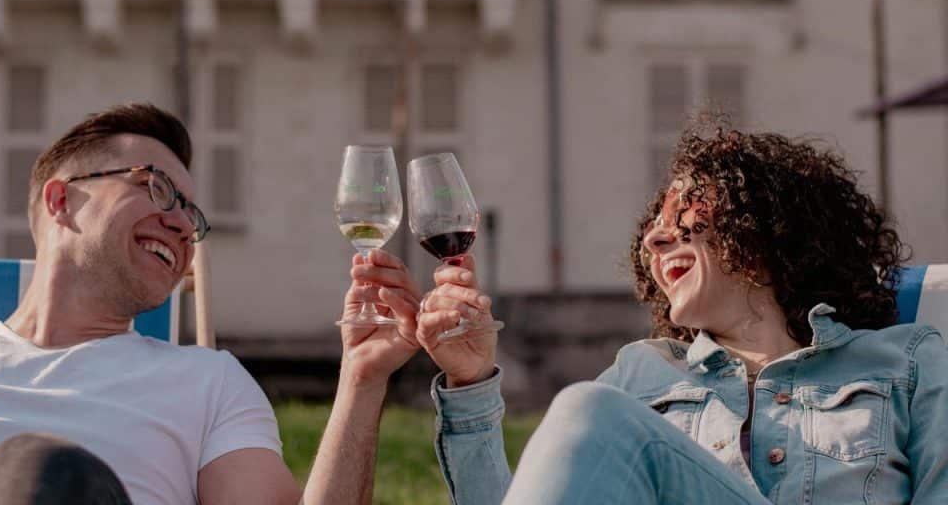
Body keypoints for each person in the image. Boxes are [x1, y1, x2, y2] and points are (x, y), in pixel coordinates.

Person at [381, 122, 948, 504]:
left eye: (683, 217)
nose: (654, 237)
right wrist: (471, 379)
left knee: (588, 408)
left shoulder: (906, 360)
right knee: (588, 409)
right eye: (655, 225)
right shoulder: (641, 376)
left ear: (765, 231)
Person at [0, 103, 425, 505]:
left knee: (44, 473)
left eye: (193, 216)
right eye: (156, 188)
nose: (185, 227)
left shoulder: (208, 383)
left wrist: (362, 381)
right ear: (62, 201)